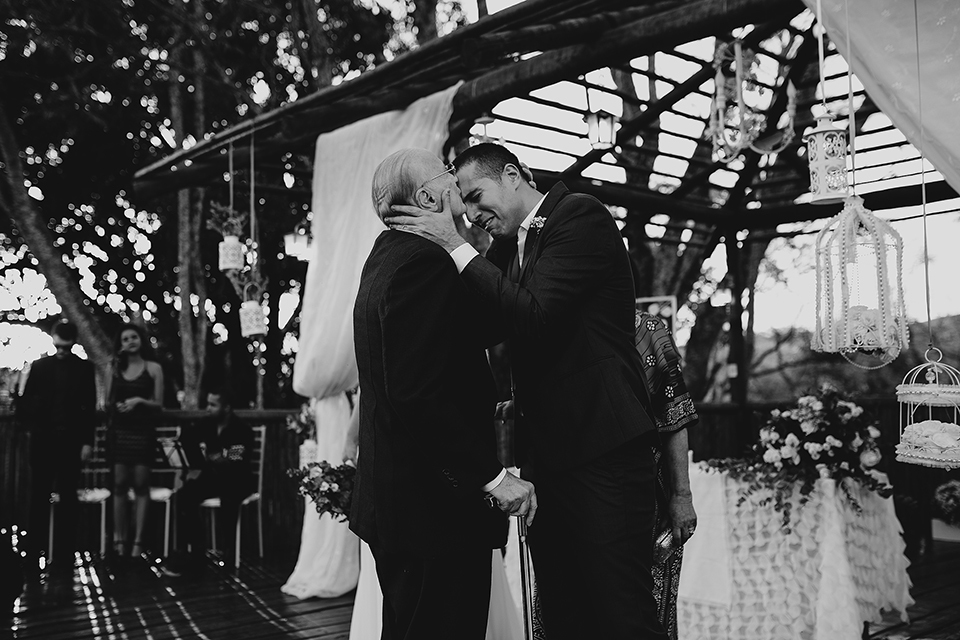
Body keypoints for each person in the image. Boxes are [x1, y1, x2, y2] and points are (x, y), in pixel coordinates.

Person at [389, 142, 675, 639]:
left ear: (513, 175)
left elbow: (536, 316)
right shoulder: (507, 246)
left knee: (620, 612)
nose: (475, 215)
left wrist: (454, 246)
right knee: (562, 611)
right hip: (548, 459)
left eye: (478, 197)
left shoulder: (580, 216)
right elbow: (483, 326)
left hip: (605, 452)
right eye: (465, 205)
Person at [351, 148, 536, 640]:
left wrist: (490, 240)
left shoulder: (388, 256)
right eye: (449, 178)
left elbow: (482, 324)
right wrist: (494, 478)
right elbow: (417, 393)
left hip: (401, 507)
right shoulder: (422, 265)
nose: (458, 185)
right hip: (433, 513)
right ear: (431, 196)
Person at [16, 320, 97, 577]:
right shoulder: (40, 367)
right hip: (43, 442)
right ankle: (33, 556)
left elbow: (90, 409)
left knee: (68, 500)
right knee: (38, 498)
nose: (62, 349)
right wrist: (33, 425)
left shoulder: (85, 369)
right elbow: (25, 402)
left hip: (71, 443)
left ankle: (63, 559)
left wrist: (87, 442)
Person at [163, 388, 254, 575]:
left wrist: (223, 456)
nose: (208, 408)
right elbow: (186, 439)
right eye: (208, 404)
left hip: (237, 479)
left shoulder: (242, 429)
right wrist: (198, 459)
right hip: (212, 477)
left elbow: (238, 455)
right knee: (184, 496)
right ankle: (196, 553)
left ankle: (227, 553)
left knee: (229, 500)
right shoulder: (207, 424)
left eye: (213, 405)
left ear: (227, 407)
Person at [108, 323, 164, 558]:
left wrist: (139, 401)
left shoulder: (154, 368)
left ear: (140, 339)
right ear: (120, 344)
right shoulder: (113, 368)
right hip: (120, 431)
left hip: (143, 432)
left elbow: (159, 404)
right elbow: (105, 402)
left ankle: (138, 541)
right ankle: (120, 540)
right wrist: (117, 405)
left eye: (134, 337)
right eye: (125, 339)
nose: (130, 341)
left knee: (141, 485)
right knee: (119, 485)